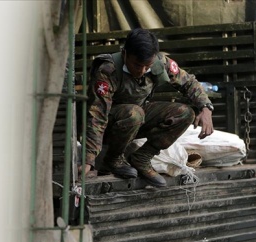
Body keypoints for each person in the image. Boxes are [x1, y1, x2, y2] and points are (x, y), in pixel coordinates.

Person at [81, 28, 215, 187]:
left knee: (185, 113)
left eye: (148, 66)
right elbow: (97, 116)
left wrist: (206, 108)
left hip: (136, 120)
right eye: (137, 65)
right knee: (134, 113)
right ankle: (113, 159)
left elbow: (189, 82)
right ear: (125, 54)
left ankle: (142, 158)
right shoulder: (108, 70)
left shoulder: (160, 62)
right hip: (110, 126)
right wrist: (88, 160)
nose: (143, 71)